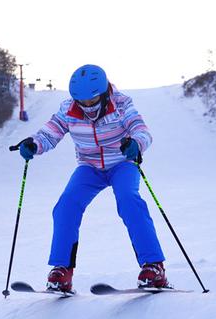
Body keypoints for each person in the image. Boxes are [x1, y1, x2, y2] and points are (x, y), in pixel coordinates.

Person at [16, 64, 169, 293]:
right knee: (66, 205)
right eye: (82, 102)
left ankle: (154, 267)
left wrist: (135, 144)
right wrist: (34, 144)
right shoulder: (68, 109)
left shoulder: (121, 104)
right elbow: (50, 133)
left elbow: (141, 130)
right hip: (89, 166)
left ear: (104, 92)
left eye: (92, 101)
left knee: (129, 201)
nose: (88, 107)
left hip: (122, 163)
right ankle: (62, 271)